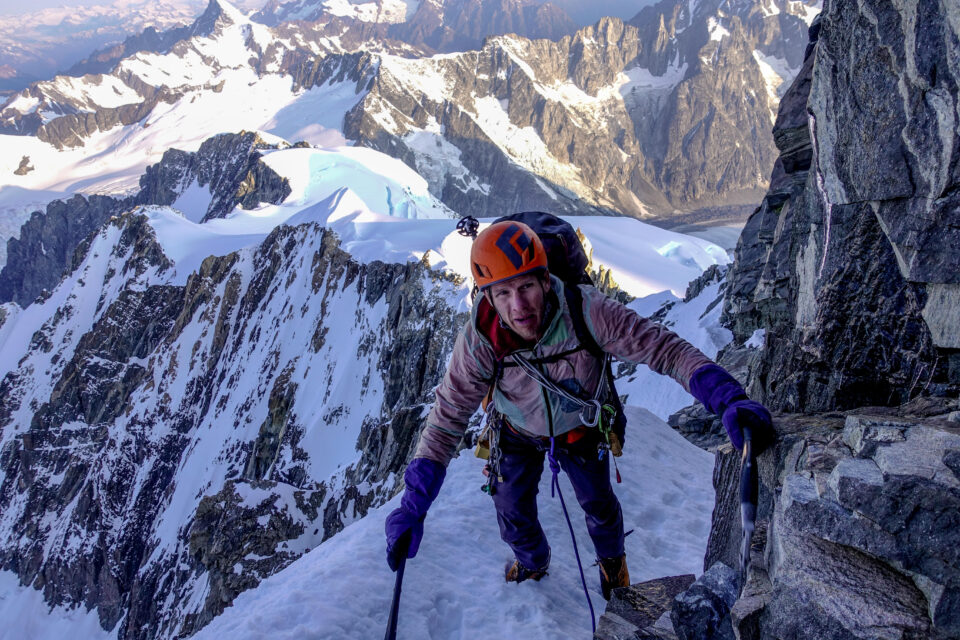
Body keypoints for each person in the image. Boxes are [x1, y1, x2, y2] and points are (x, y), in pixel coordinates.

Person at [384, 220, 772, 598]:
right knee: (512, 510)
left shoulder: (585, 311)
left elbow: (663, 349)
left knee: (599, 506)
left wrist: (726, 397)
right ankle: (533, 560)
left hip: (581, 429)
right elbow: (446, 418)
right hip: (516, 431)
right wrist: (413, 504)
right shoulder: (480, 340)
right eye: (502, 294)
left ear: (544, 281)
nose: (518, 306)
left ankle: (612, 565)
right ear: (486, 296)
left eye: (525, 288)